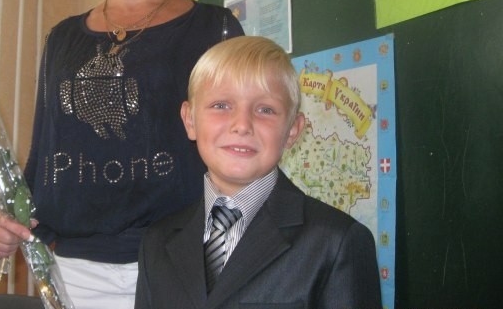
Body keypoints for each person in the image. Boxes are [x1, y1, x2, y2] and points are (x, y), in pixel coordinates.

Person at [0, 0, 244, 307]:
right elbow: (44, 155)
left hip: (181, 266)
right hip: (74, 272)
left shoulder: (215, 29)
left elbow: (241, 154)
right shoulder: (62, 38)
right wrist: (9, 216)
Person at [135, 36, 382, 309]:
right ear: (190, 120)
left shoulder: (337, 242)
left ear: (292, 131)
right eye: (221, 105)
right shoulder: (156, 241)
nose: (242, 125)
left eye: (265, 109)